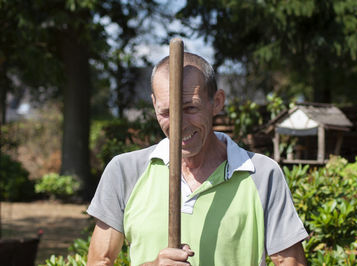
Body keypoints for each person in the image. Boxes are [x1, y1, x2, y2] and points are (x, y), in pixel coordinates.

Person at [87, 52, 308, 266]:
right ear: (154, 104)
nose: (179, 124)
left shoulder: (261, 174)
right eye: (166, 112)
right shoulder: (125, 171)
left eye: (190, 108)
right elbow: (99, 261)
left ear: (217, 102)